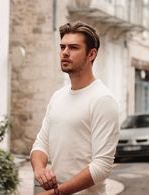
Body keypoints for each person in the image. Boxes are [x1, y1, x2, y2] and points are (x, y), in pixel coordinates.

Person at [30, 21, 120, 195]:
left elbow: (102, 167)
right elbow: (40, 144)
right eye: (62, 47)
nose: (65, 52)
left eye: (73, 48)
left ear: (91, 54)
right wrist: (40, 170)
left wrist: (56, 193)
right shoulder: (58, 96)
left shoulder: (103, 100)